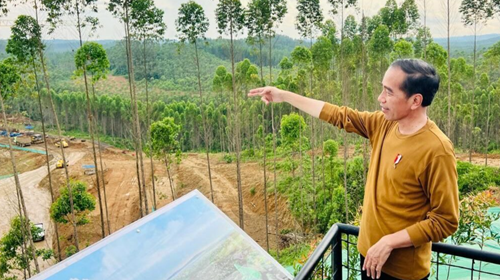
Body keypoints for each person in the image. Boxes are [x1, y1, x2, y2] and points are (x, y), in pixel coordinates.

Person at [248, 59, 459, 280]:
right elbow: (339, 115)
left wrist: (389, 242)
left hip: (401, 272)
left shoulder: (437, 150)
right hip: (368, 257)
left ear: (416, 100)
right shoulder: (385, 124)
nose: (380, 98)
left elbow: (445, 220)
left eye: (389, 92)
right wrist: (284, 96)